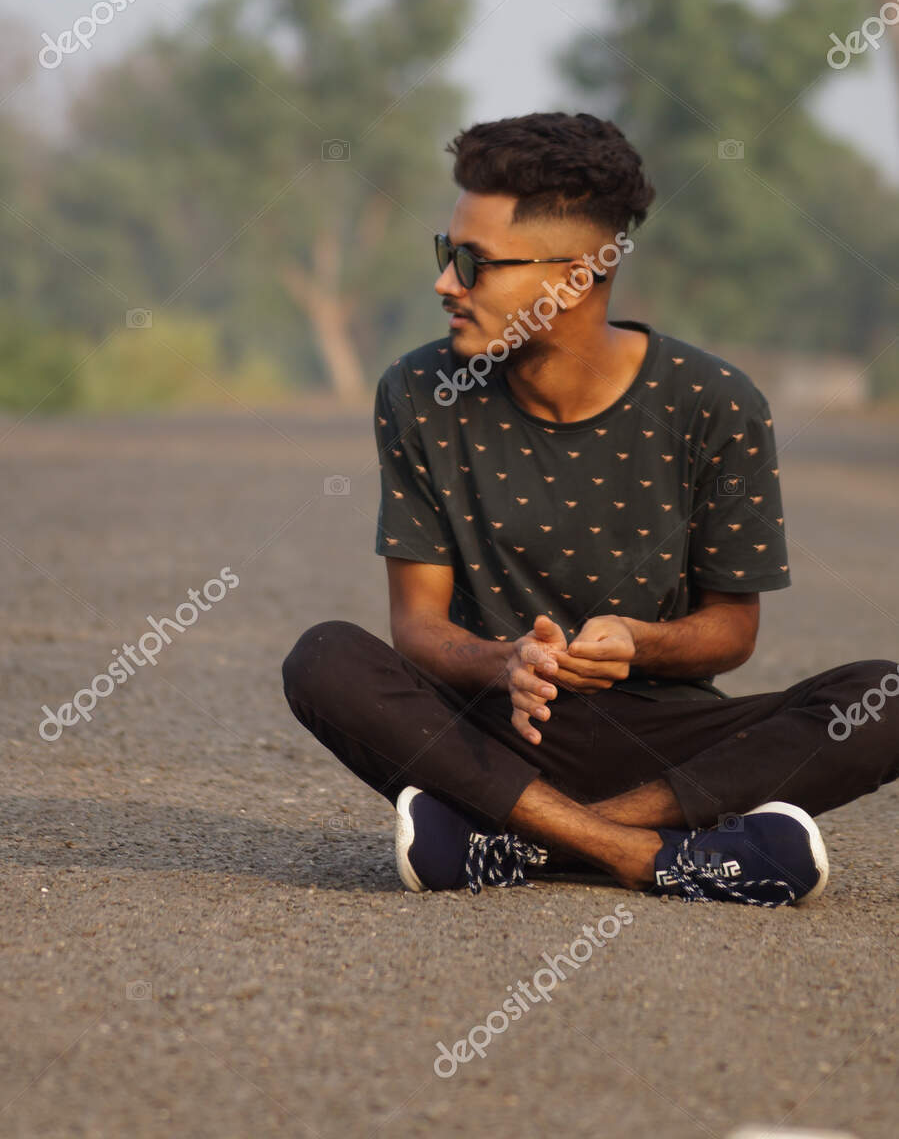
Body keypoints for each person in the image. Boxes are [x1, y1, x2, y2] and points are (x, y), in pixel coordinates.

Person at [282, 112, 898, 907]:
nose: (445, 283)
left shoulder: (715, 402)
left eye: (473, 263)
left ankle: (511, 845)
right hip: (493, 734)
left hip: (665, 744)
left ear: (576, 276)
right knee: (323, 658)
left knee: (884, 696)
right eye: (445, 253)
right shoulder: (419, 393)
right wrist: (503, 661)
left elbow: (731, 632)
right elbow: (418, 627)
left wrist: (637, 643)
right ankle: (659, 858)